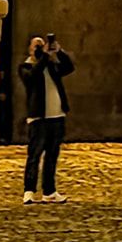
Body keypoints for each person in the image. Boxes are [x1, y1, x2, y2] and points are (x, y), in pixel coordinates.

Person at [18, 33, 75, 204]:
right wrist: (43, 57)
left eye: (41, 46)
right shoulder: (25, 67)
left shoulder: (51, 66)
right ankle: (29, 190)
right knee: (35, 154)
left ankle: (49, 191)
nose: (39, 50)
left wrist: (59, 52)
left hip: (56, 115)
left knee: (52, 155)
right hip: (39, 118)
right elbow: (33, 77)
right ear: (30, 49)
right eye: (36, 46)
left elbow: (69, 67)